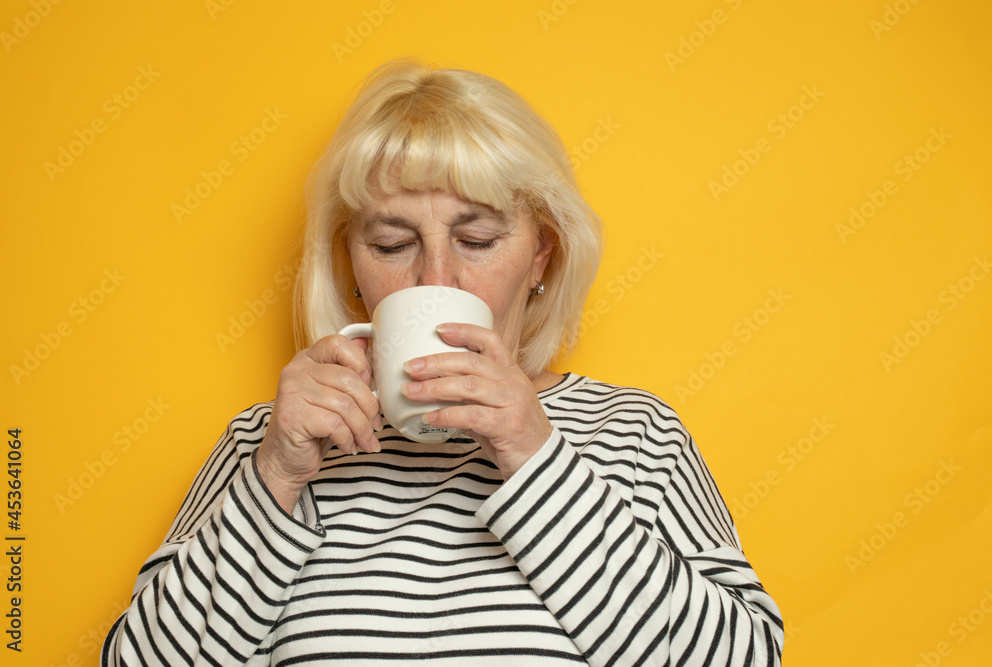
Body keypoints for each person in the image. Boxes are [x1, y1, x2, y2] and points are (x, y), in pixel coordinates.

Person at [103, 59, 783, 666]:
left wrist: (535, 456)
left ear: (541, 255)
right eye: (392, 244)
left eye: (477, 238)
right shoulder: (271, 442)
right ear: (350, 264)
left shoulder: (637, 434)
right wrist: (278, 473)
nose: (436, 278)